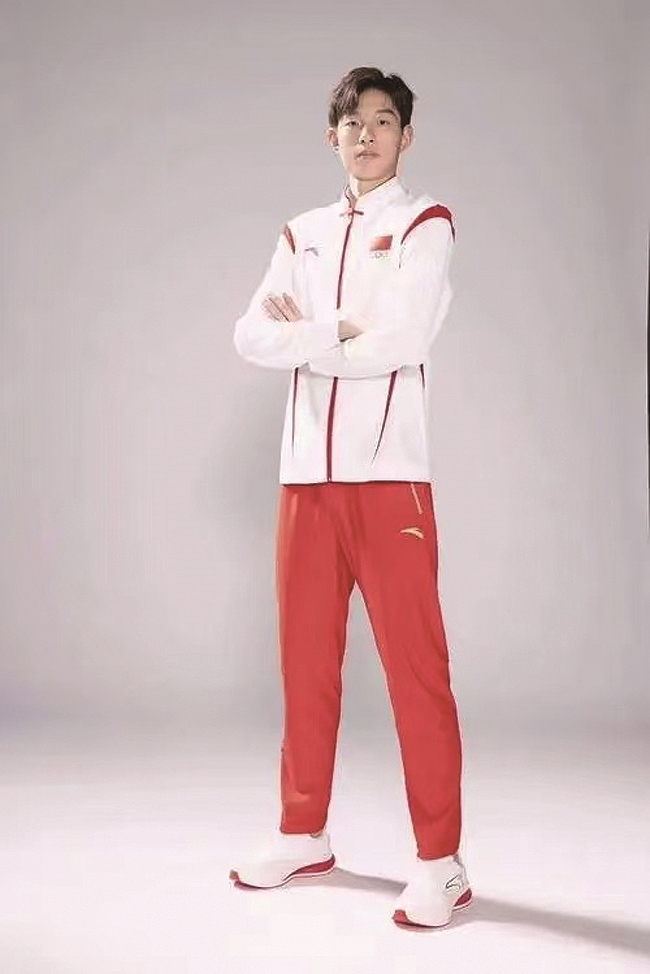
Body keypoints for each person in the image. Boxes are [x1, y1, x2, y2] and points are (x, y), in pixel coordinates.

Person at [229, 66, 471, 929]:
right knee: (304, 665)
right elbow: (249, 336)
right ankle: (303, 833)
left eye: (383, 121)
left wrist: (303, 338)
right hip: (305, 482)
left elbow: (404, 336)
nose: (366, 135)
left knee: (416, 672)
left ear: (407, 135)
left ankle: (441, 862)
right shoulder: (300, 232)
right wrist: (334, 328)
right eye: (352, 123)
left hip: (389, 479)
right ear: (331, 136)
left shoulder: (425, 222)